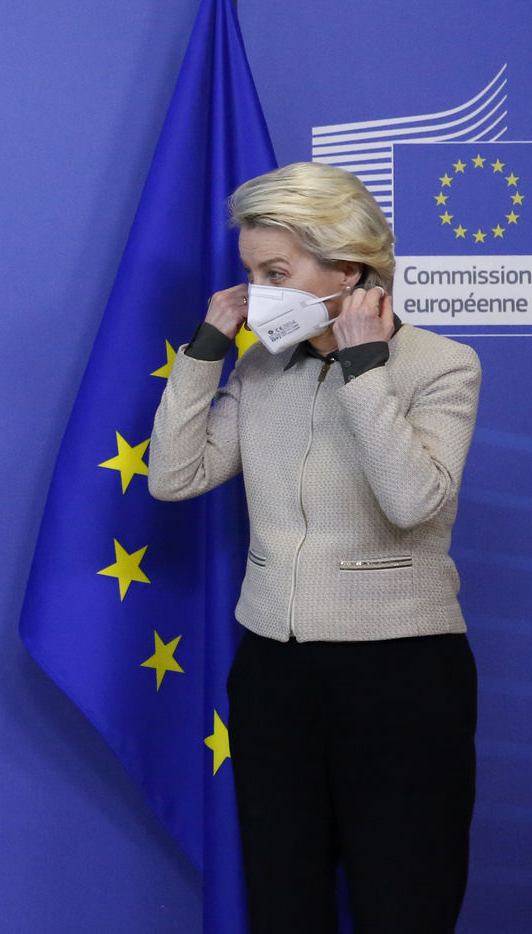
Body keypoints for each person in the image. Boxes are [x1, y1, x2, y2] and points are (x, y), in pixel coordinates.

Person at [149, 162, 480, 933]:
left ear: (348, 268)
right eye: (251, 275)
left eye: (276, 273)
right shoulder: (263, 365)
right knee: (284, 904)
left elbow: (413, 503)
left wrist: (364, 369)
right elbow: (174, 475)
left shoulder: (442, 364)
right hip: (275, 674)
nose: (259, 293)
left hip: (401, 674)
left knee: (405, 903)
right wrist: (206, 349)